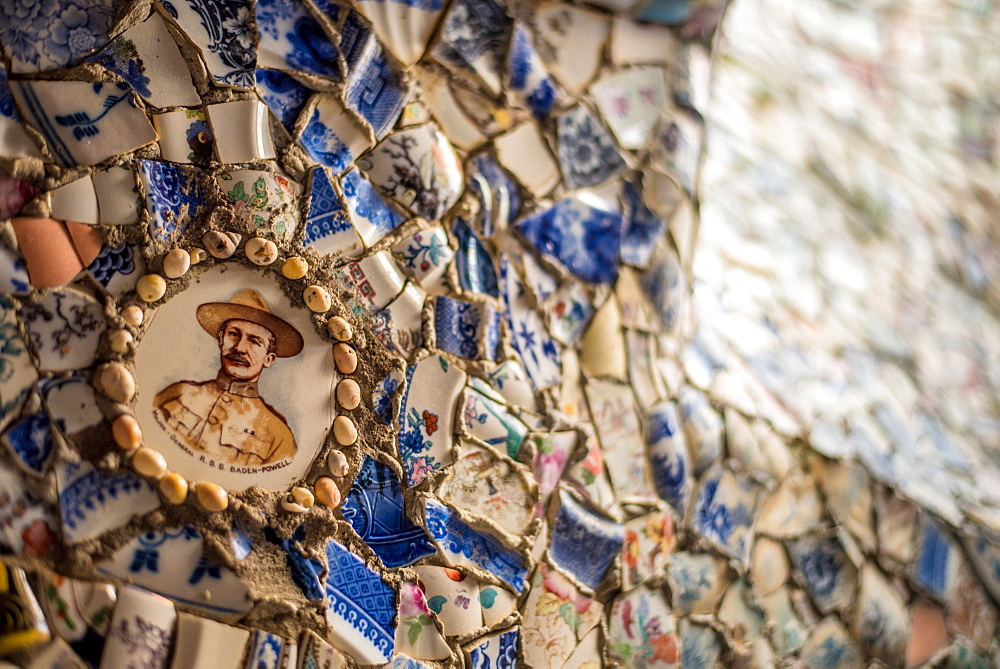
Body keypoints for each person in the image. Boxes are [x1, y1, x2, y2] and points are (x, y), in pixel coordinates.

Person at [153, 289, 304, 467]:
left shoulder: (279, 438)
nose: (239, 348)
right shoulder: (178, 394)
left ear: (269, 359)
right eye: (233, 334)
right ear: (221, 340)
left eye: (254, 341)